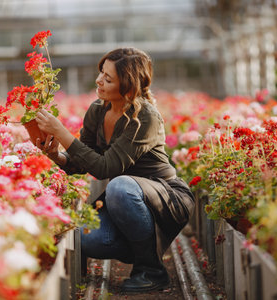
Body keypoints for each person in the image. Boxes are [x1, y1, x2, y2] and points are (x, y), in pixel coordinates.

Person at [34, 47, 195, 293]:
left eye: (108, 79)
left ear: (128, 87)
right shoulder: (98, 110)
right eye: (101, 72)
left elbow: (104, 167)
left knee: (118, 185)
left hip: (166, 198)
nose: (99, 80)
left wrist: (62, 132)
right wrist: (56, 155)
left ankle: (152, 271)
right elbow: (81, 161)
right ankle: (142, 243)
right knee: (84, 239)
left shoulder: (145, 118)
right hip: (128, 201)